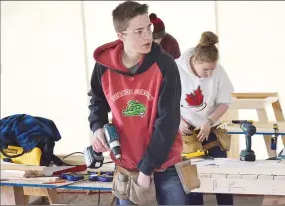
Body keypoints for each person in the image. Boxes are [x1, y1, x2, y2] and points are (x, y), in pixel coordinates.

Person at [88, 1, 188, 205]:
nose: (148, 36)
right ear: (121, 35)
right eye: (139, 31)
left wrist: (147, 167)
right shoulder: (103, 66)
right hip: (128, 166)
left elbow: (168, 122)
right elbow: (97, 100)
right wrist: (97, 127)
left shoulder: (165, 64)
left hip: (166, 164)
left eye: (149, 28)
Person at [176, 31, 234, 205]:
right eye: (205, 70)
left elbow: (224, 102)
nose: (209, 73)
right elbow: (164, 102)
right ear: (194, 61)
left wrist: (208, 121)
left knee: (222, 177)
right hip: (186, 132)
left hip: (210, 129)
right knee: (192, 181)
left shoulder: (218, 71)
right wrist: (177, 121)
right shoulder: (175, 68)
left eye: (212, 69)